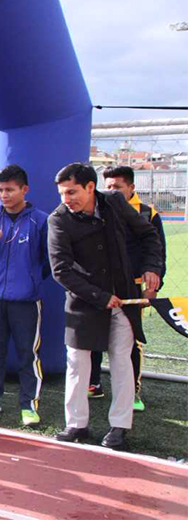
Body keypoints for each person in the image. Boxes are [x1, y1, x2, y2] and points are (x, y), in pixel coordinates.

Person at [48, 163, 162, 450]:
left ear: (90, 187)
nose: (66, 199)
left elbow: (149, 236)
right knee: (77, 361)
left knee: (121, 360)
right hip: (83, 302)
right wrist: (98, 296)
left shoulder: (114, 203)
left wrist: (151, 268)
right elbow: (61, 270)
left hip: (124, 299)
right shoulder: (58, 219)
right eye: (62, 193)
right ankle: (76, 425)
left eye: (72, 192)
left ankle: (119, 427)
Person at [0, 165, 50, 426]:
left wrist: (31, 282)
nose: (4, 195)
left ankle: (29, 405)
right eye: (0, 190)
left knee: (28, 355)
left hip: (25, 300)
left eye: (10, 190)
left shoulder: (40, 220)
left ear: (24, 190)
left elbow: (48, 261)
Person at [90, 166, 167, 411]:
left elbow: (157, 252)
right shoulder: (97, 209)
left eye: (117, 187)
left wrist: (153, 284)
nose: (111, 191)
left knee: (131, 340)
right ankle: (93, 383)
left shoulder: (147, 213)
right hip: (101, 286)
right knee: (94, 334)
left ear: (131, 188)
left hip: (132, 287)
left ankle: (132, 390)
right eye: (108, 187)